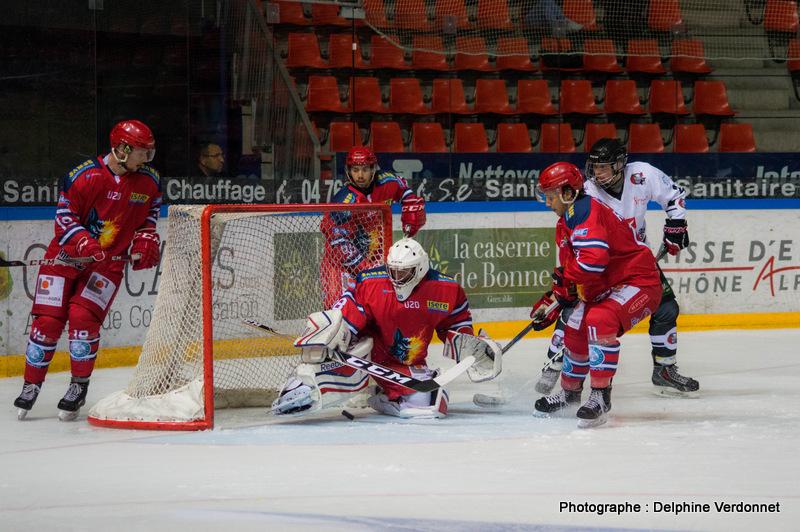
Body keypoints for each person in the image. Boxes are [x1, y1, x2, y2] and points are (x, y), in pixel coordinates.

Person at [13, 120, 163, 421]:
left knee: (83, 319)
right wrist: (85, 243)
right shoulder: (83, 176)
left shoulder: (149, 181)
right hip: (63, 260)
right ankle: (31, 384)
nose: (146, 158)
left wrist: (146, 238)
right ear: (122, 149)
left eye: (149, 152)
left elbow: (150, 214)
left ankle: (78, 387)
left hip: (107, 265)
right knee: (47, 322)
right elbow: (64, 218)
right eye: (141, 152)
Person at [535, 138, 699, 397]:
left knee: (666, 307)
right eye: (594, 167)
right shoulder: (585, 192)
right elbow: (572, 241)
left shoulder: (642, 174)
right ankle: (553, 364)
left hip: (634, 260)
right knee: (576, 310)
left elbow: (674, 196)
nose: (597, 173)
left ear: (621, 164)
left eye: (604, 167)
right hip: (600, 266)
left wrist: (676, 225)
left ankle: (664, 368)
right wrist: (566, 281)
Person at [272, 237, 503, 419]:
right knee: (315, 379)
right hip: (368, 355)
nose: (396, 277)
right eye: (393, 270)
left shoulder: (446, 290)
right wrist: (331, 336)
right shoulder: (371, 283)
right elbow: (345, 318)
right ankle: (303, 385)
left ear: (420, 269)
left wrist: (473, 349)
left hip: (405, 362)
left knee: (428, 404)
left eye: (403, 272)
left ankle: (384, 397)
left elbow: (457, 326)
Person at [530, 162, 662, 428]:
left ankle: (601, 397)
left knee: (600, 319)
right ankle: (570, 394)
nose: (547, 202)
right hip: (609, 285)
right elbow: (574, 271)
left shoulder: (585, 211)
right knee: (575, 325)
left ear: (568, 192)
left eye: (551, 195)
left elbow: (592, 263)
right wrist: (556, 298)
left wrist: (565, 284)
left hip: (639, 282)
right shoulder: (567, 221)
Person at [320, 146, 426, 308]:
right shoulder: (344, 200)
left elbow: (404, 190)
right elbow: (337, 241)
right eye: (355, 170)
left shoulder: (387, 181)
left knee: (378, 307)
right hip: (339, 264)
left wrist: (410, 205)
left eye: (365, 169)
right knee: (338, 310)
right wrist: (364, 268)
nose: (360, 175)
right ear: (349, 171)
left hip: (373, 255)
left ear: (373, 169)